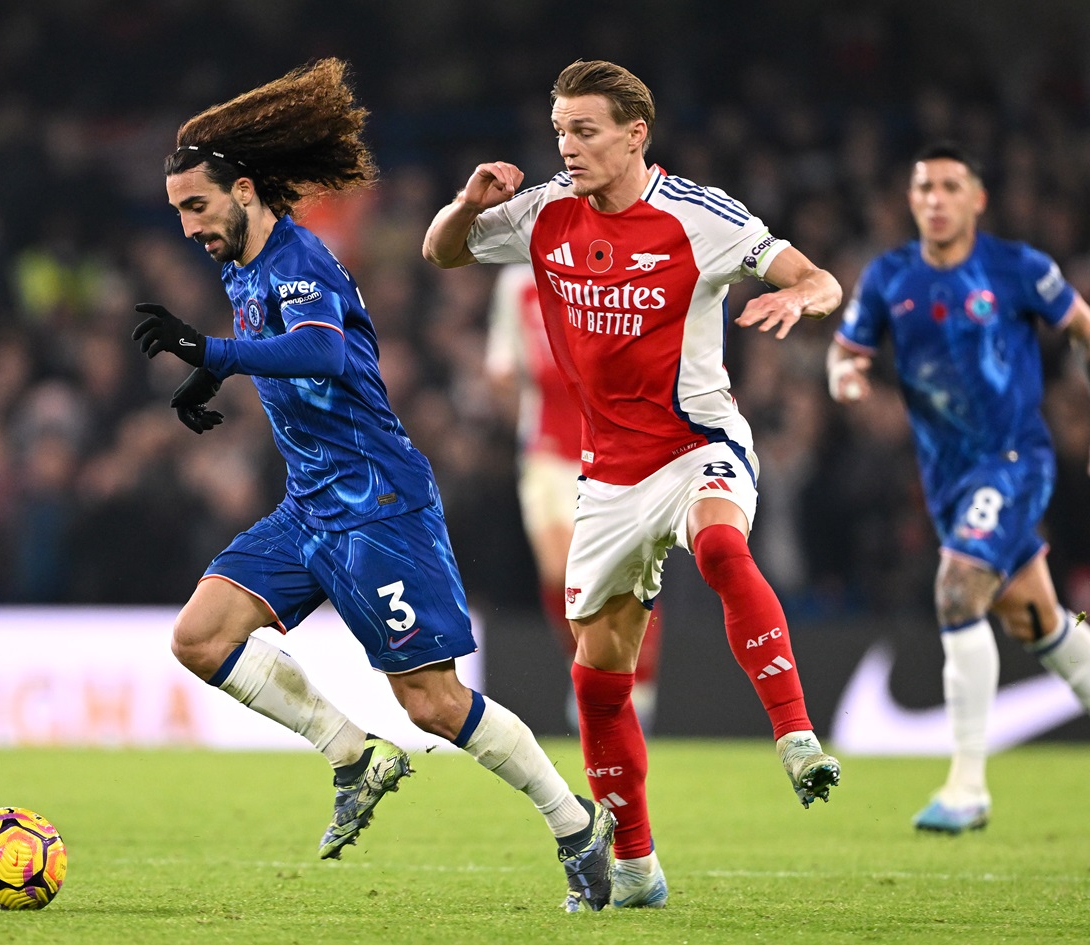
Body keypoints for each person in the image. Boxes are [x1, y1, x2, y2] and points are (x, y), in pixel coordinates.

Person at [129, 58, 615, 912]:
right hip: (312, 503)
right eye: (176, 213)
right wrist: (214, 377)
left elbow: (318, 346)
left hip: (379, 505)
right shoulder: (243, 264)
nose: (186, 227)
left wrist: (211, 353)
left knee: (432, 702)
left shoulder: (296, 257)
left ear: (243, 190)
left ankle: (575, 823)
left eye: (196, 206)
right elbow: (306, 360)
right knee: (201, 636)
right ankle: (354, 753)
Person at [424, 59, 843, 909]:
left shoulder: (698, 215)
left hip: (697, 443)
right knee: (596, 677)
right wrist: (469, 202)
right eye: (560, 133)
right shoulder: (545, 214)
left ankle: (796, 734)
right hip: (607, 475)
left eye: (584, 131)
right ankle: (638, 865)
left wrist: (801, 300)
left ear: (634, 134)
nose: (567, 148)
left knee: (723, 543)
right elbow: (442, 254)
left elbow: (817, 275)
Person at [826, 143, 1090, 834]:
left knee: (958, 587)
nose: (935, 198)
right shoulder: (890, 277)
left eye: (951, 186)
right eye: (924, 186)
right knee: (1034, 617)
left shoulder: (1016, 267)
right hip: (948, 477)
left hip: (1015, 459)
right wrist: (844, 373)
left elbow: (1088, 330)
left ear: (977, 199)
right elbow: (848, 346)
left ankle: (967, 784)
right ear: (911, 198)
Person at [484, 263, 664, 732]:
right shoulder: (517, 282)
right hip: (546, 450)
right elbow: (502, 359)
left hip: (610, 446)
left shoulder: (610, 269)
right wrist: (503, 376)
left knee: (623, 570)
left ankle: (637, 681)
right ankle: (584, 666)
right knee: (559, 571)